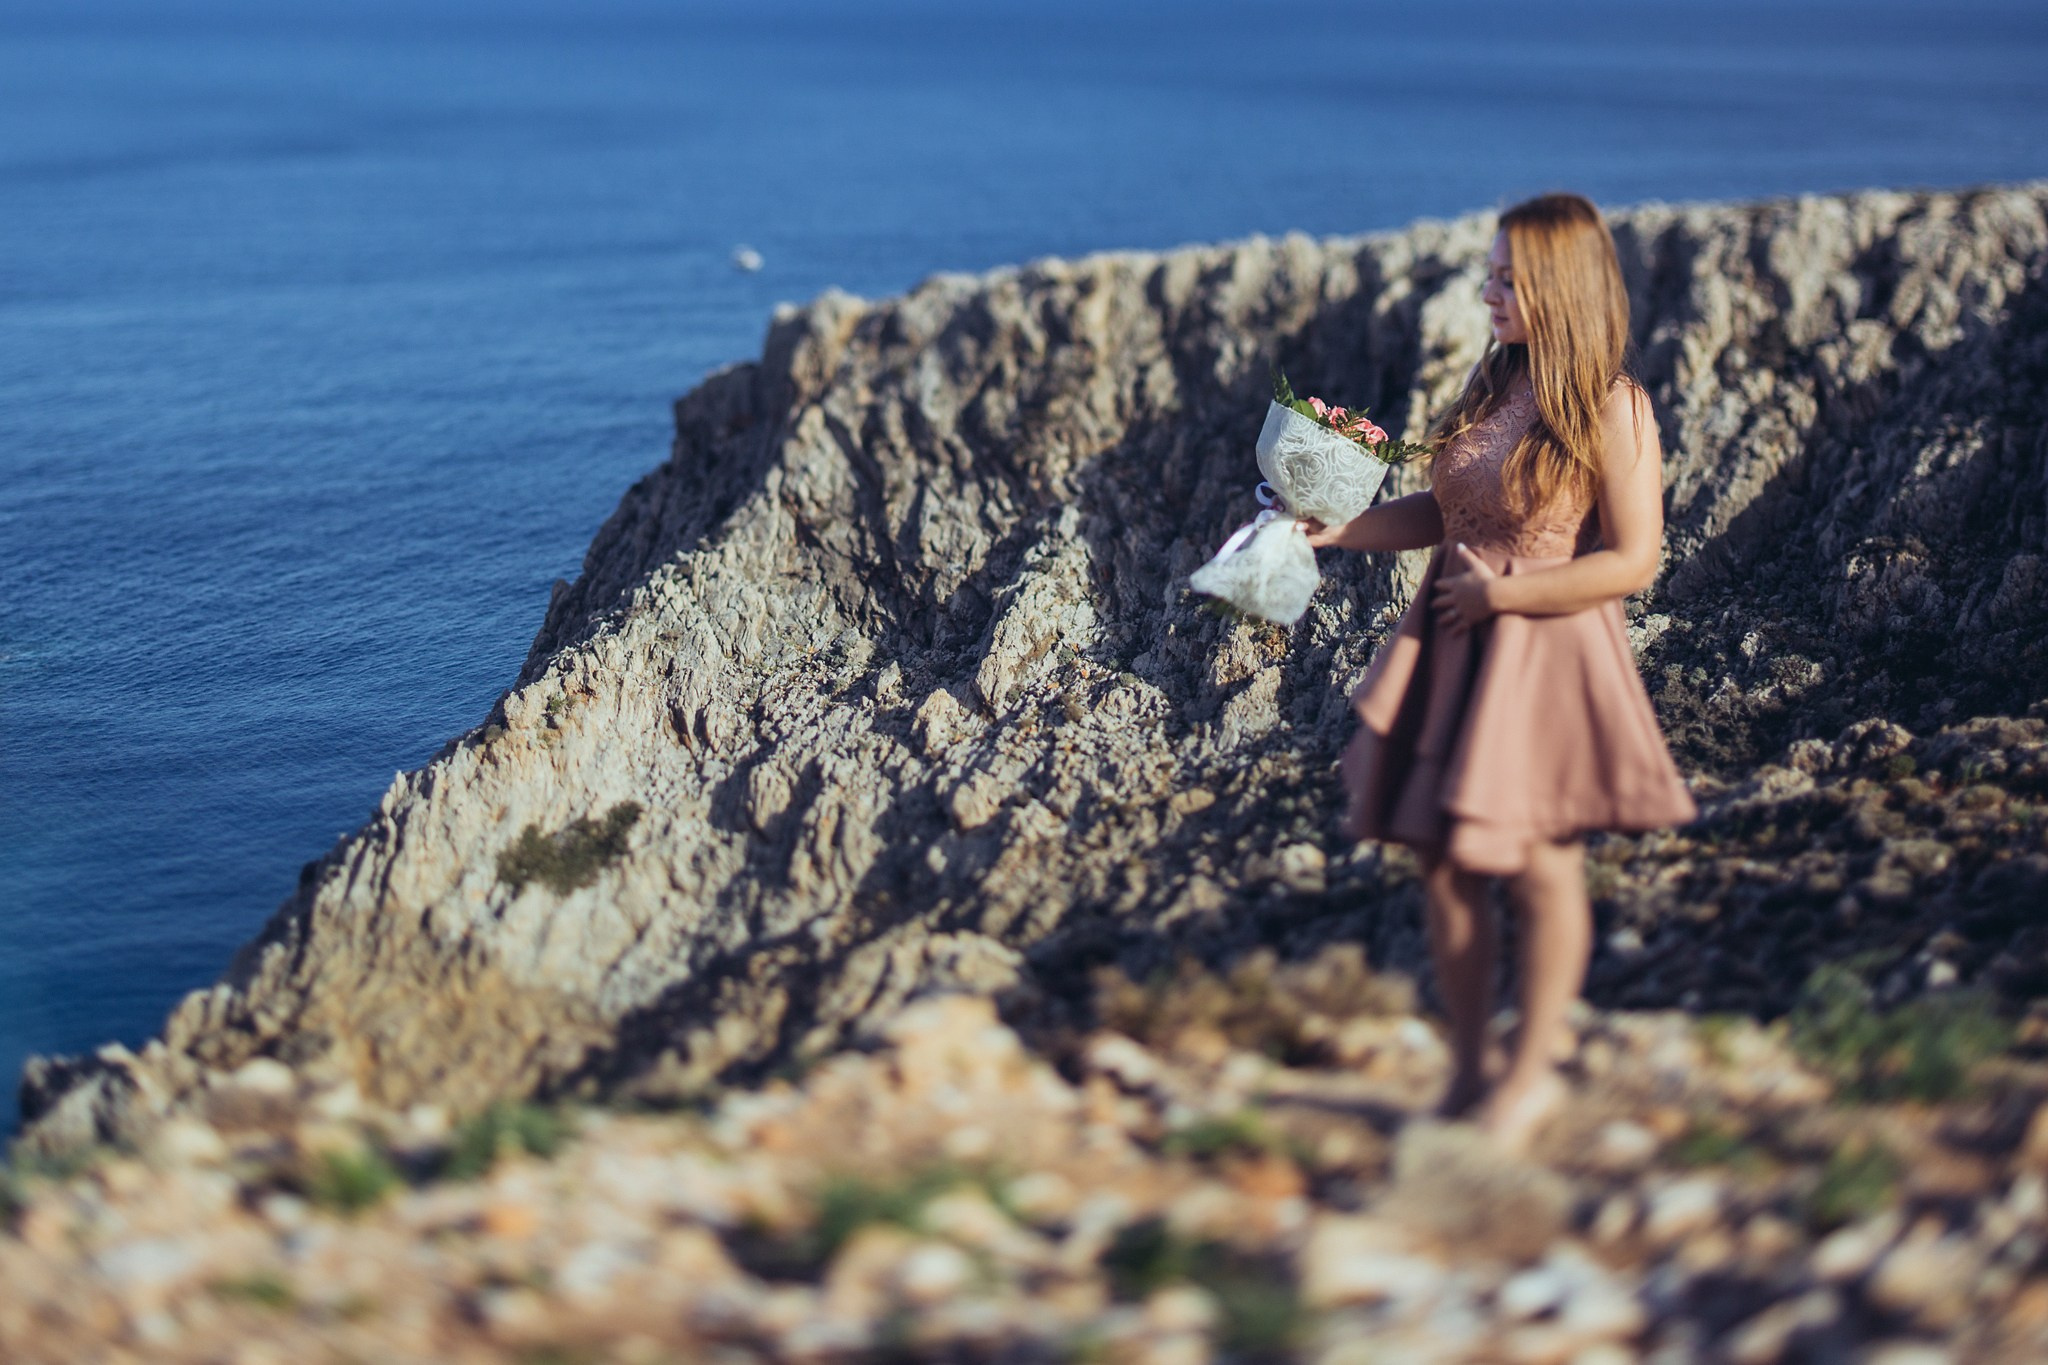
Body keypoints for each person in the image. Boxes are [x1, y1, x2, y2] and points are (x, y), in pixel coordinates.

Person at [1299, 192, 1698, 1154]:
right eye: (1491, 274)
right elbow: (1446, 516)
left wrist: (1506, 600)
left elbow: (1636, 560)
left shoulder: (1614, 405)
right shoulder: (1493, 387)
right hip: (1456, 639)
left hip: (1542, 648)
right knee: (1444, 863)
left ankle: (1530, 1078)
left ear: (1561, 286)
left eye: (1509, 279)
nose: (1490, 293)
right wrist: (1337, 532)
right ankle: (1472, 1068)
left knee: (1539, 865)